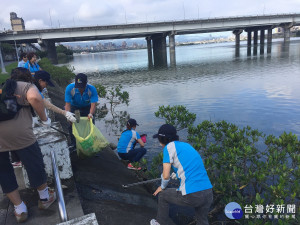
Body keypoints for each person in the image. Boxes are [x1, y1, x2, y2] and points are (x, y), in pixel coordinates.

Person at [0, 67, 56, 223]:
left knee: (4, 171)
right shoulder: (26, 86)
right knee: (34, 163)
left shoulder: (4, 87)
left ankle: (19, 209)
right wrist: (44, 119)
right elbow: (35, 98)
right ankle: (45, 198)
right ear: (28, 78)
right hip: (20, 134)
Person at [150, 124, 213, 225]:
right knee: (202, 220)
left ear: (163, 138)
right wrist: (177, 173)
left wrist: (162, 186)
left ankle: (159, 222)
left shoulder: (168, 147)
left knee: (162, 195)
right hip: (208, 192)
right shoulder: (186, 146)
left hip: (192, 194)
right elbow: (190, 166)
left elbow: (165, 176)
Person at [64, 73, 98, 149]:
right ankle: (74, 144)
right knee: (72, 124)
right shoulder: (70, 88)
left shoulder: (91, 89)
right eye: (78, 86)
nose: (80, 88)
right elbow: (67, 104)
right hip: (75, 108)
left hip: (87, 108)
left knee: (90, 124)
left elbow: (93, 105)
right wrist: (68, 115)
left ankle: (90, 144)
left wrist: (91, 114)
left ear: (86, 83)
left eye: (82, 86)